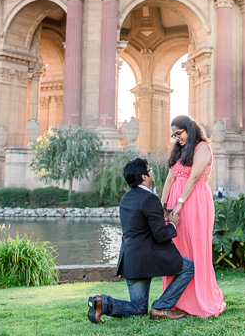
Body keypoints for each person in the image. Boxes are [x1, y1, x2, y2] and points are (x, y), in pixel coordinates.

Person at [87, 157, 194, 323]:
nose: (152, 172)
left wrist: (160, 217)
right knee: (188, 267)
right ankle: (161, 307)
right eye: (149, 169)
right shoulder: (149, 199)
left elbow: (140, 226)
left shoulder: (126, 199)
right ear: (144, 177)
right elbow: (160, 235)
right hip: (149, 258)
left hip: (131, 260)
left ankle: (102, 303)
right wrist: (172, 224)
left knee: (139, 309)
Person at [160, 115, 226, 318]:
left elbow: (195, 176)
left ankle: (199, 299)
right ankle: (176, 299)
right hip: (175, 204)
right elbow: (170, 179)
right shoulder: (180, 151)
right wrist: (163, 206)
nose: (176, 138)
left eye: (178, 133)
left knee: (195, 249)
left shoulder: (202, 148)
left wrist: (179, 204)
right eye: (174, 134)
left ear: (189, 129)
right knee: (176, 248)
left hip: (194, 202)